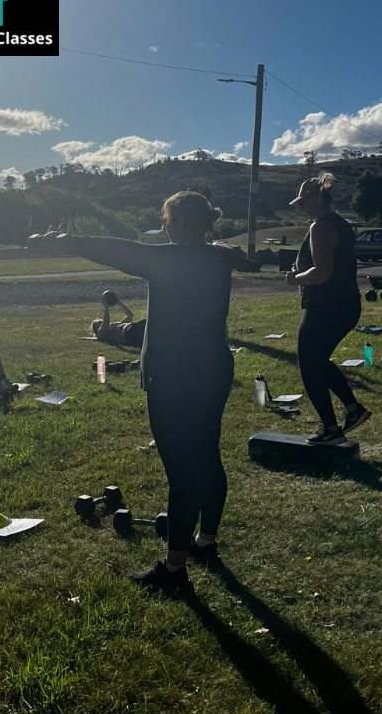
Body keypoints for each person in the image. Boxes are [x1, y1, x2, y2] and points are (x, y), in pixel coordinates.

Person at [30, 192, 251, 593]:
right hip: (213, 369)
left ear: (182, 223)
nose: (163, 228)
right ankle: (205, 542)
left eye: (166, 221)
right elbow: (230, 252)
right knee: (207, 456)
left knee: (182, 472)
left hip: (174, 377)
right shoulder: (218, 256)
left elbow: (118, 251)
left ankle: (174, 570)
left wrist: (67, 242)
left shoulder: (171, 260)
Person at [285, 173, 370, 444]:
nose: (301, 208)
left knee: (309, 365)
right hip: (344, 304)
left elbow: (322, 272)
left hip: (327, 306)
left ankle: (331, 429)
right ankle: (353, 410)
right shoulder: (340, 224)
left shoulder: (320, 226)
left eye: (303, 202)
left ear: (317, 198)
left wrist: (295, 278)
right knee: (317, 360)